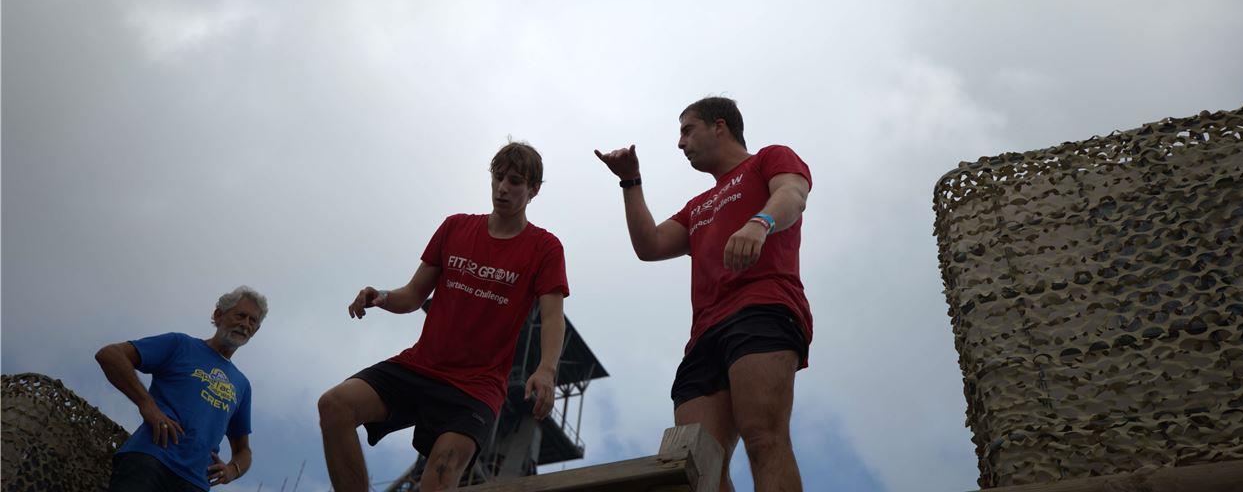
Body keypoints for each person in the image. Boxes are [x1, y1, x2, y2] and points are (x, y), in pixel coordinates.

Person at [318, 141, 569, 492]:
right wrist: (381, 297)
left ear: (534, 190)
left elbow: (553, 316)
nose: (502, 188)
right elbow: (413, 295)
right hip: (420, 367)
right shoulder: (455, 228)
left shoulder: (545, 247)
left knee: (441, 473)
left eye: (514, 181)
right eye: (497, 177)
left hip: (475, 388)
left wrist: (545, 370)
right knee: (334, 405)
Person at [596, 96, 812, 492]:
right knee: (695, 464)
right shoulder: (697, 205)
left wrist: (760, 222)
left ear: (719, 126)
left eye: (687, 130)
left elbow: (793, 193)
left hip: (762, 307)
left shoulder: (768, 158)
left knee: (764, 436)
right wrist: (630, 181)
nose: (681, 143)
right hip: (704, 334)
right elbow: (650, 245)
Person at [95, 286, 266, 491]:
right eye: (240, 315)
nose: (245, 324)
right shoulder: (180, 345)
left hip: (195, 482)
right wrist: (147, 404)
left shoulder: (242, 385)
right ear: (218, 315)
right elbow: (110, 355)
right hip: (150, 460)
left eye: (252, 321)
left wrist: (232, 470)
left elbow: (243, 450)